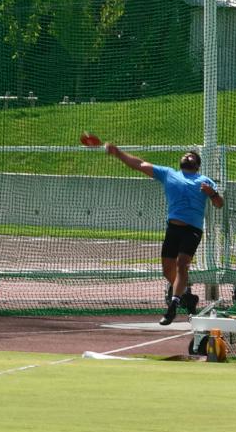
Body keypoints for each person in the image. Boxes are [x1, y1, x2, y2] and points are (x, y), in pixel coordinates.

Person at [81, 134, 224, 325]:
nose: (187, 156)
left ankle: (173, 306)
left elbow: (219, 204)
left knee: (182, 264)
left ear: (197, 165)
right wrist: (117, 153)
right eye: (185, 155)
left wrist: (212, 193)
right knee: (167, 271)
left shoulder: (203, 180)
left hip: (192, 230)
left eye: (191, 156)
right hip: (173, 229)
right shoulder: (168, 173)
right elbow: (139, 165)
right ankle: (187, 297)